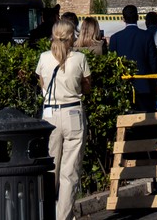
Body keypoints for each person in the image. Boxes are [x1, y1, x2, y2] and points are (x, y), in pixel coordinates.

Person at [36, 20, 92, 220]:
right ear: (71, 36)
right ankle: (63, 217)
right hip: (72, 113)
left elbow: (41, 83)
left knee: (51, 168)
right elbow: (87, 87)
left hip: (50, 114)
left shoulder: (43, 58)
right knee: (70, 172)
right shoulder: (79, 59)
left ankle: (46, 213)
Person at [107, 5, 157, 112]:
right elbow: (153, 60)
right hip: (145, 83)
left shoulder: (115, 38)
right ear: (138, 17)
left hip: (123, 84)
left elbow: (111, 62)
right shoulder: (146, 36)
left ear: (123, 19)